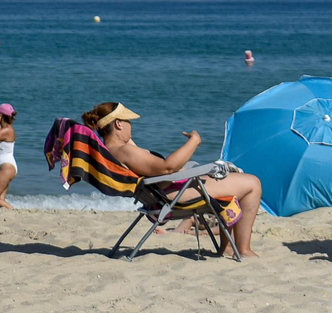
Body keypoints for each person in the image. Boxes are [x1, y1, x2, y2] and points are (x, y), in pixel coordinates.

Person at [86, 101, 262, 258]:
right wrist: (194, 141)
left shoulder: (113, 150)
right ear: (118, 124)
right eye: (128, 121)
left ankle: (227, 247)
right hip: (176, 194)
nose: (131, 125)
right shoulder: (125, 151)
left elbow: (138, 153)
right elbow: (168, 167)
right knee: (253, 183)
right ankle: (243, 249)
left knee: (233, 179)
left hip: (165, 192)